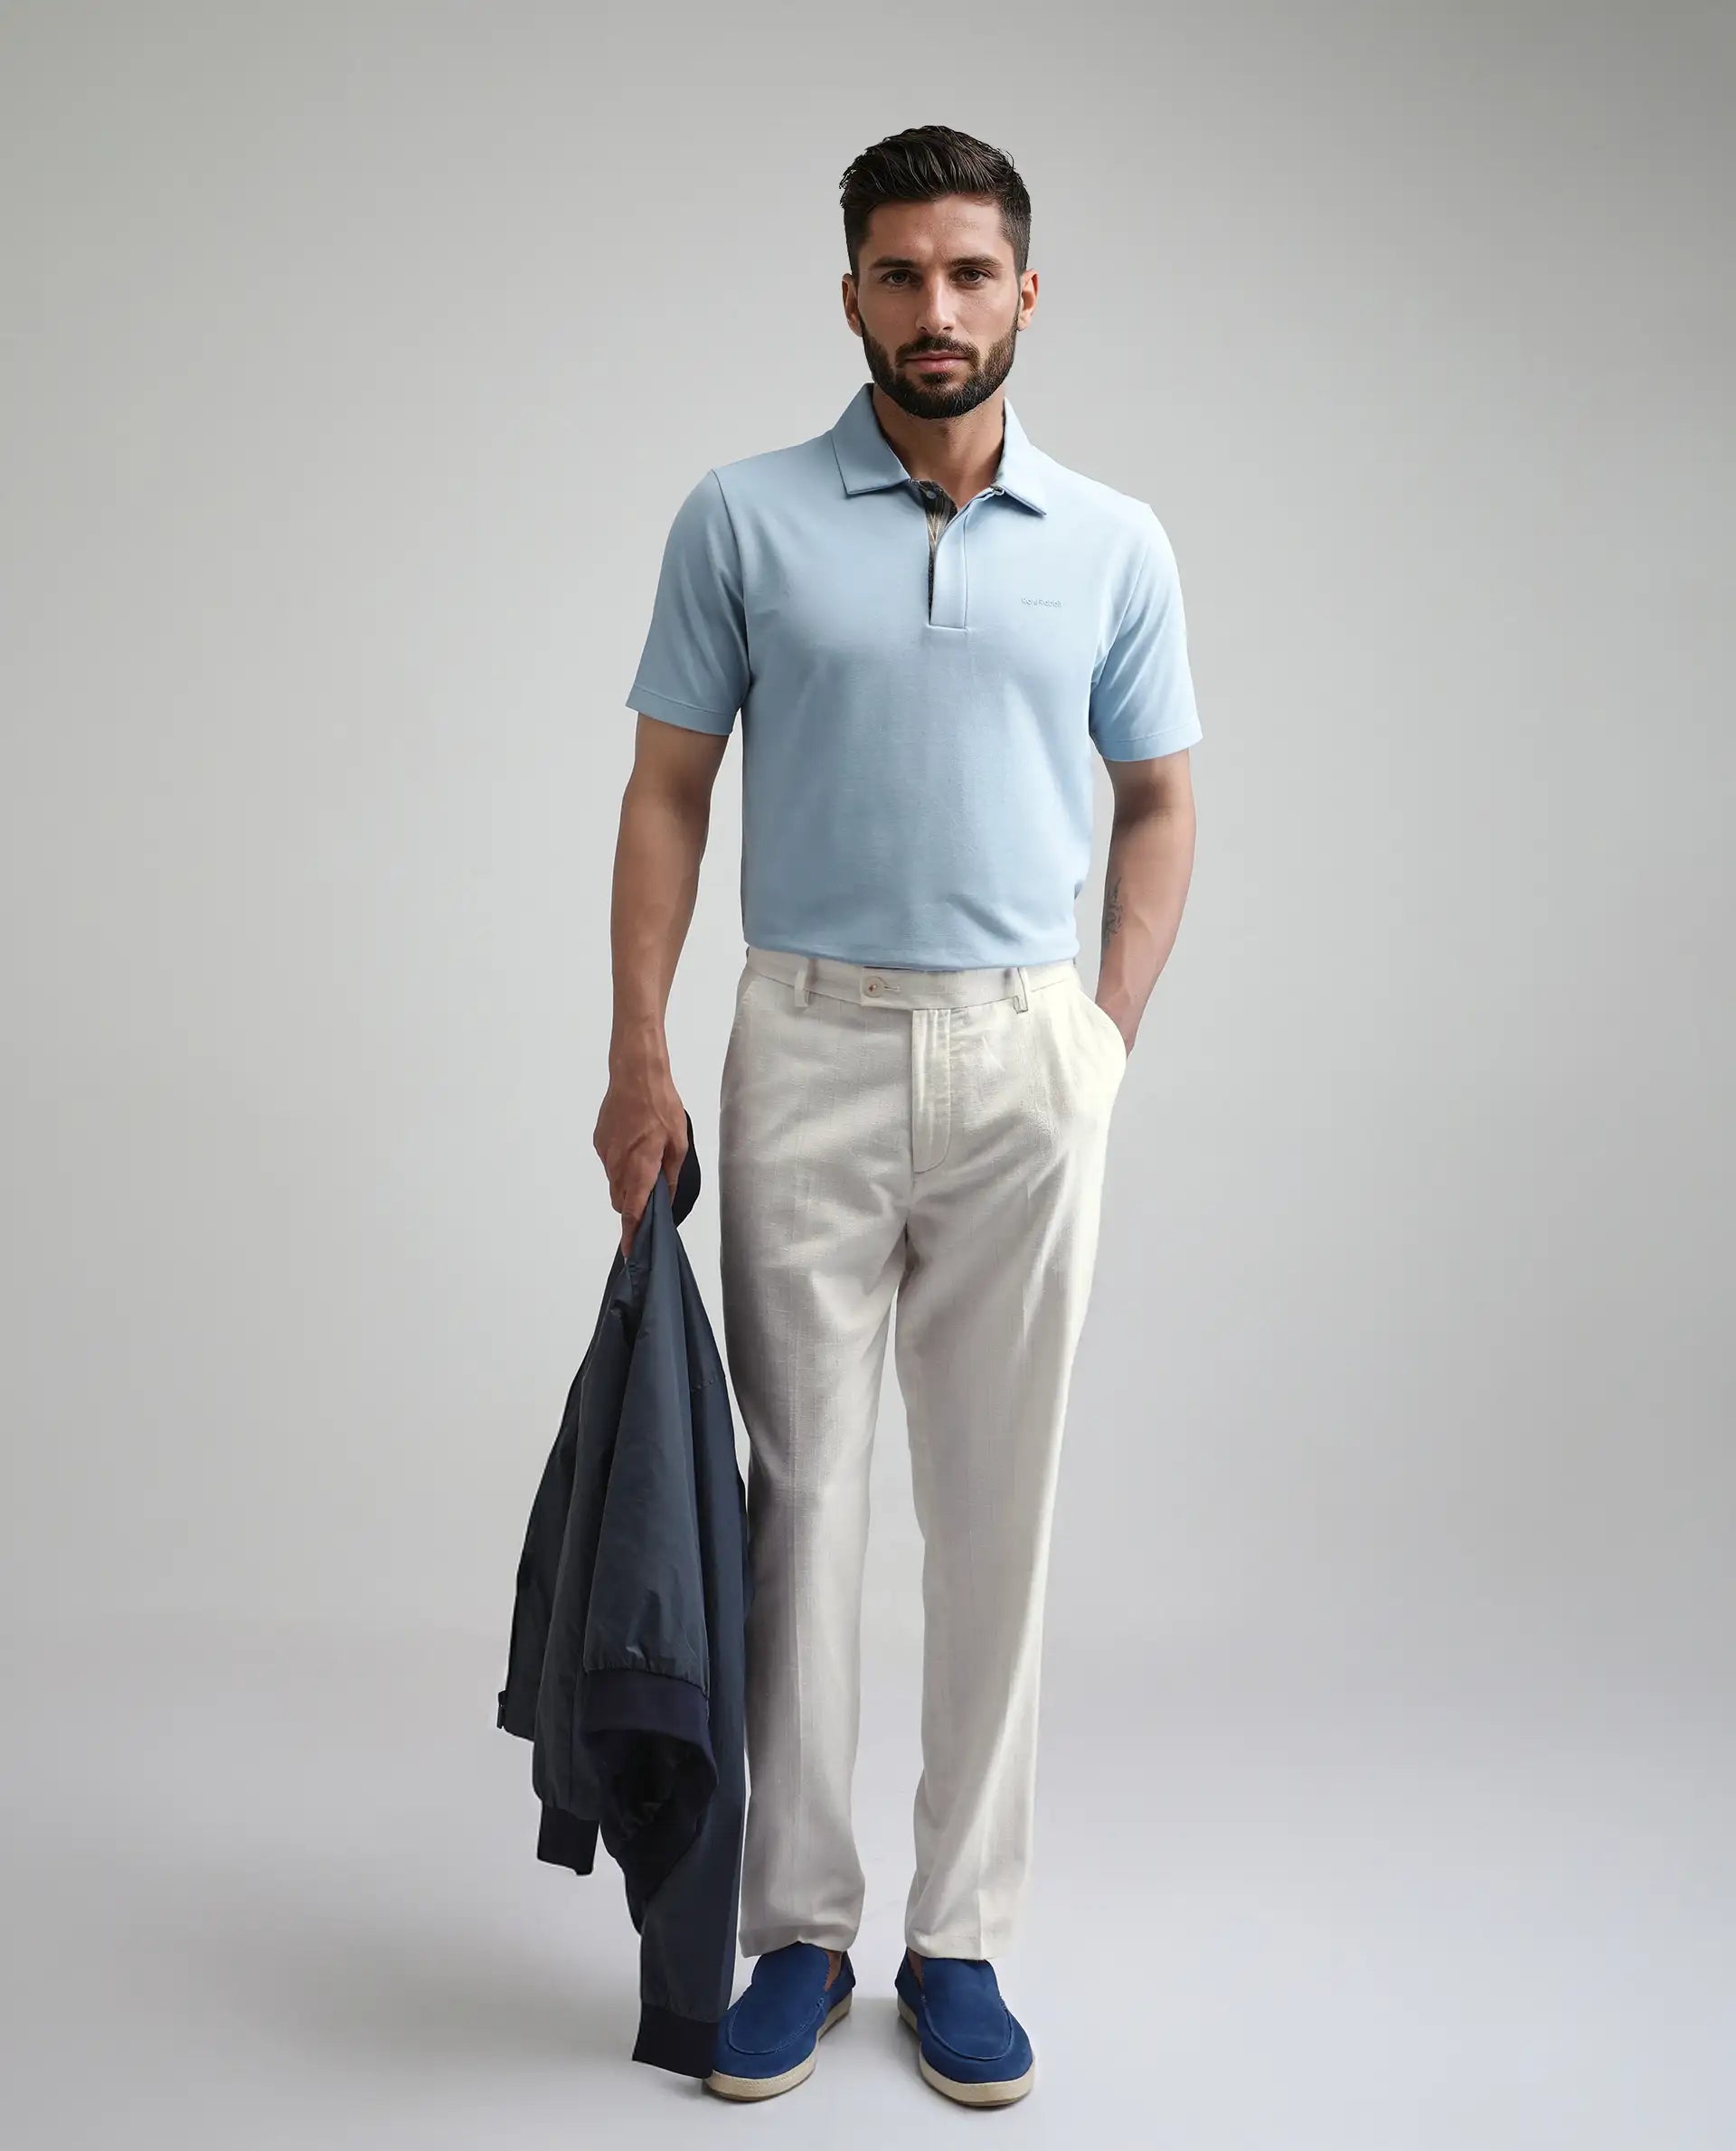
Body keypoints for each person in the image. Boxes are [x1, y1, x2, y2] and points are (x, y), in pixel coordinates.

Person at [593, 122, 1201, 2106]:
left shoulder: (1114, 541)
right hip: (810, 1042)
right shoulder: (743, 518)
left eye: (968, 272)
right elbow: (669, 789)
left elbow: (1161, 801)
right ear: (849, 290)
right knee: (803, 1506)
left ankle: (962, 1936)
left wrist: (1103, 1035)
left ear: (1026, 291)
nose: (935, 309)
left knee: (997, 1513)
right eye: (898, 272)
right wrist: (640, 1050)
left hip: (1028, 1058)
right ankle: (801, 1927)